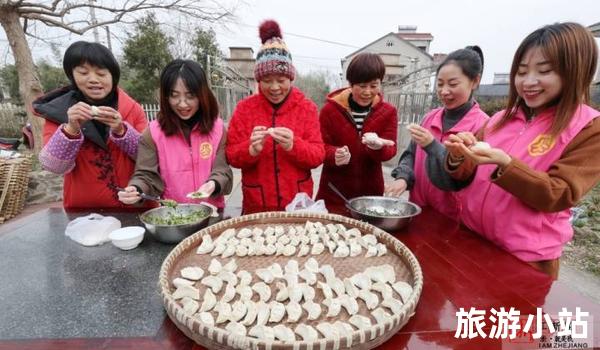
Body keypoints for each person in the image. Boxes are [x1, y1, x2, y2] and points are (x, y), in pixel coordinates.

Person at [439, 22, 600, 278]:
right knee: (468, 317)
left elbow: (560, 193)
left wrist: (506, 164)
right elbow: (464, 175)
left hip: (524, 260)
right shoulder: (500, 118)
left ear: (575, 71)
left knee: (509, 319)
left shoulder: (588, 127)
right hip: (472, 238)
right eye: (522, 71)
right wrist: (459, 156)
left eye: (544, 71)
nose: (529, 82)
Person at [225, 20, 325, 214]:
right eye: (267, 81)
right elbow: (231, 155)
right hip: (257, 203)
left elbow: (318, 155)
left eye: (281, 80)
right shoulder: (245, 109)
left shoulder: (307, 108)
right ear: (258, 80)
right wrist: (251, 149)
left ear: (291, 78)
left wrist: (293, 145)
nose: (275, 87)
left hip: (297, 202)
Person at [34, 41, 148, 209]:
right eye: (83, 73)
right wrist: (71, 129)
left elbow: (147, 157)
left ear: (113, 76)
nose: (93, 80)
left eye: (101, 73)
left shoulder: (133, 108)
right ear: (72, 75)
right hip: (85, 212)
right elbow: (54, 166)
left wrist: (120, 130)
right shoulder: (58, 113)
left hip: (134, 207)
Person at [385, 46, 489, 220]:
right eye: (440, 84)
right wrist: (403, 177)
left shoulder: (483, 126)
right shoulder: (429, 118)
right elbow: (411, 154)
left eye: (453, 84)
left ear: (475, 81)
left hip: (452, 219)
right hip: (417, 208)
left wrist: (432, 145)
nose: (444, 91)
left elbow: (463, 177)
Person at [118, 59, 232, 208]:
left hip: (212, 213)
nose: (182, 103)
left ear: (203, 95)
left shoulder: (217, 129)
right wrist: (136, 188)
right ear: (166, 96)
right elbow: (145, 175)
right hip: (174, 216)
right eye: (174, 95)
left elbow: (222, 169)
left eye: (190, 96)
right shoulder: (153, 133)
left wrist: (213, 184)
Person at [315, 53, 397, 214]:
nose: (367, 92)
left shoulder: (388, 112)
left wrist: (377, 147)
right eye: (361, 85)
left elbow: (390, 149)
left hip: (370, 196)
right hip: (334, 193)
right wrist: (334, 154)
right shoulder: (329, 110)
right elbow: (319, 146)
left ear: (381, 83)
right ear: (350, 84)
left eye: (374, 86)